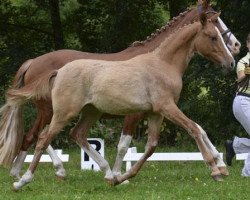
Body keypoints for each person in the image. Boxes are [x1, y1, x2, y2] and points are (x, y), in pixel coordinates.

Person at [225, 33, 250, 177]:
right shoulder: (243, 62)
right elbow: (240, 79)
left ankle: (235, 145)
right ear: (247, 45)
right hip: (243, 101)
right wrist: (247, 73)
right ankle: (247, 173)